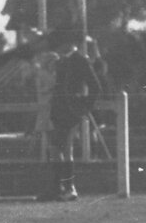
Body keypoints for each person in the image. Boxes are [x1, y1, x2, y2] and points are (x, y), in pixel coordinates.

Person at [41, 39, 103, 201]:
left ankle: (67, 187)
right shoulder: (61, 60)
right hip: (58, 111)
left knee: (61, 148)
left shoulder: (80, 60)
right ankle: (59, 188)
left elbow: (95, 86)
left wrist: (83, 107)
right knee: (58, 149)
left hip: (71, 111)